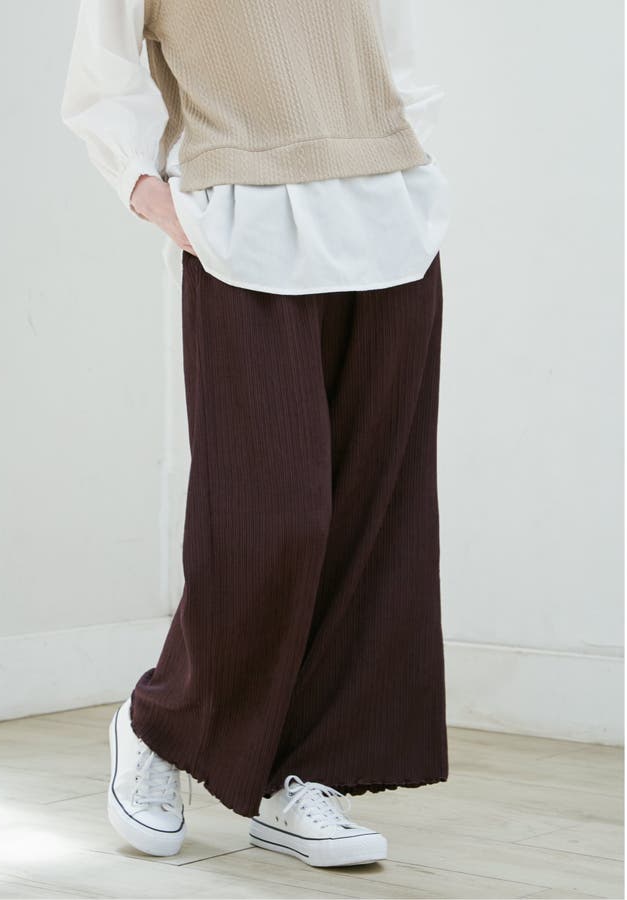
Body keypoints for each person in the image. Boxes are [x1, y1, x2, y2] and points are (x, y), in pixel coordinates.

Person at [61, 0, 450, 869]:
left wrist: (410, 172)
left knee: (372, 520)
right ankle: (160, 724)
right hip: (243, 230)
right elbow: (101, 79)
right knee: (273, 515)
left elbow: (401, 58)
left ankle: (307, 772)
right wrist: (148, 192)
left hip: (387, 221)